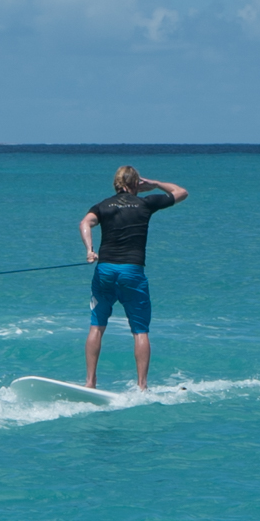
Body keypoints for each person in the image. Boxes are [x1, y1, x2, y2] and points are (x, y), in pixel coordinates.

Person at [78, 165, 189, 390]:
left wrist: (90, 250)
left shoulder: (103, 205)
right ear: (137, 184)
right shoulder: (146, 203)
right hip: (132, 272)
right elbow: (181, 192)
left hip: (105, 271)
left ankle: (90, 382)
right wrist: (156, 184)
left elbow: (85, 223)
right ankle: (142, 386)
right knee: (140, 330)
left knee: (96, 326)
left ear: (116, 184)